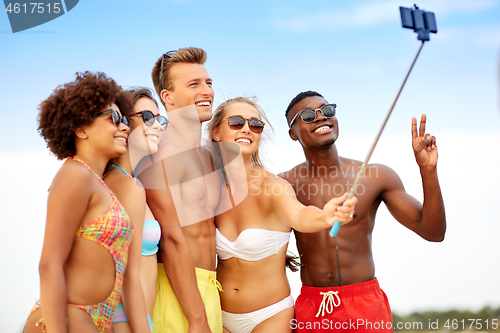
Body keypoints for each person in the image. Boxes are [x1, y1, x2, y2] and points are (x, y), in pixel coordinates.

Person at [279, 91, 447, 332]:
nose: (320, 118)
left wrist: (428, 170)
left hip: (365, 306)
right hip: (312, 307)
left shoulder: (375, 176)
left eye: (327, 111)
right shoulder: (284, 185)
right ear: (293, 133)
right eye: (307, 115)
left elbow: (433, 232)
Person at [206, 96, 357, 333]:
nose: (247, 129)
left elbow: (300, 215)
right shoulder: (209, 189)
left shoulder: (274, 186)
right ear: (216, 132)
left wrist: (325, 216)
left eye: (255, 125)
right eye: (236, 122)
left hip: (270, 316)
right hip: (218, 315)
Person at [24, 72, 134, 333]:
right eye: (113, 119)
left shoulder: (96, 182)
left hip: (92, 320)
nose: (125, 126)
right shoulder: (74, 174)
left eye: (125, 119)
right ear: (81, 128)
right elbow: (49, 265)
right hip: (65, 317)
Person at [143, 47, 238, 333]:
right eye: (193, 84)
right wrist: (197, 318)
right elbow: (171, 239)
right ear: (167, 97)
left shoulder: (210, 158)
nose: (206, 90)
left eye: (208, 83)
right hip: (175, 293)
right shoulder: (160, 156)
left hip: (210, 290)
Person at [105, 88, 168, 333]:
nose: (157, 126)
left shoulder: (118, 180)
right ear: (123, 121)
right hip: (127, 319)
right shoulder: (128, 186)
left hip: (135, 317)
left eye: (160, 120)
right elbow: (126, 274)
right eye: (147, 117)